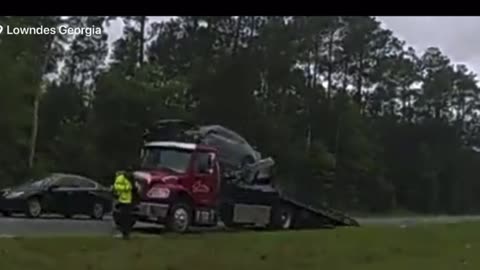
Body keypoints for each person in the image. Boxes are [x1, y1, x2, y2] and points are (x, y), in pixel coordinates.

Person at [113, 170, 136, 239]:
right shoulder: (121, 178)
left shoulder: (131, 178)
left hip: (128, 200)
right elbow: (116, 186)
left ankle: (126, 233)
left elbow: (133, 187)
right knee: (123, 217)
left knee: (127, 218)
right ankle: (124, 233)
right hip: (123, 200)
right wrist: (126, 188)